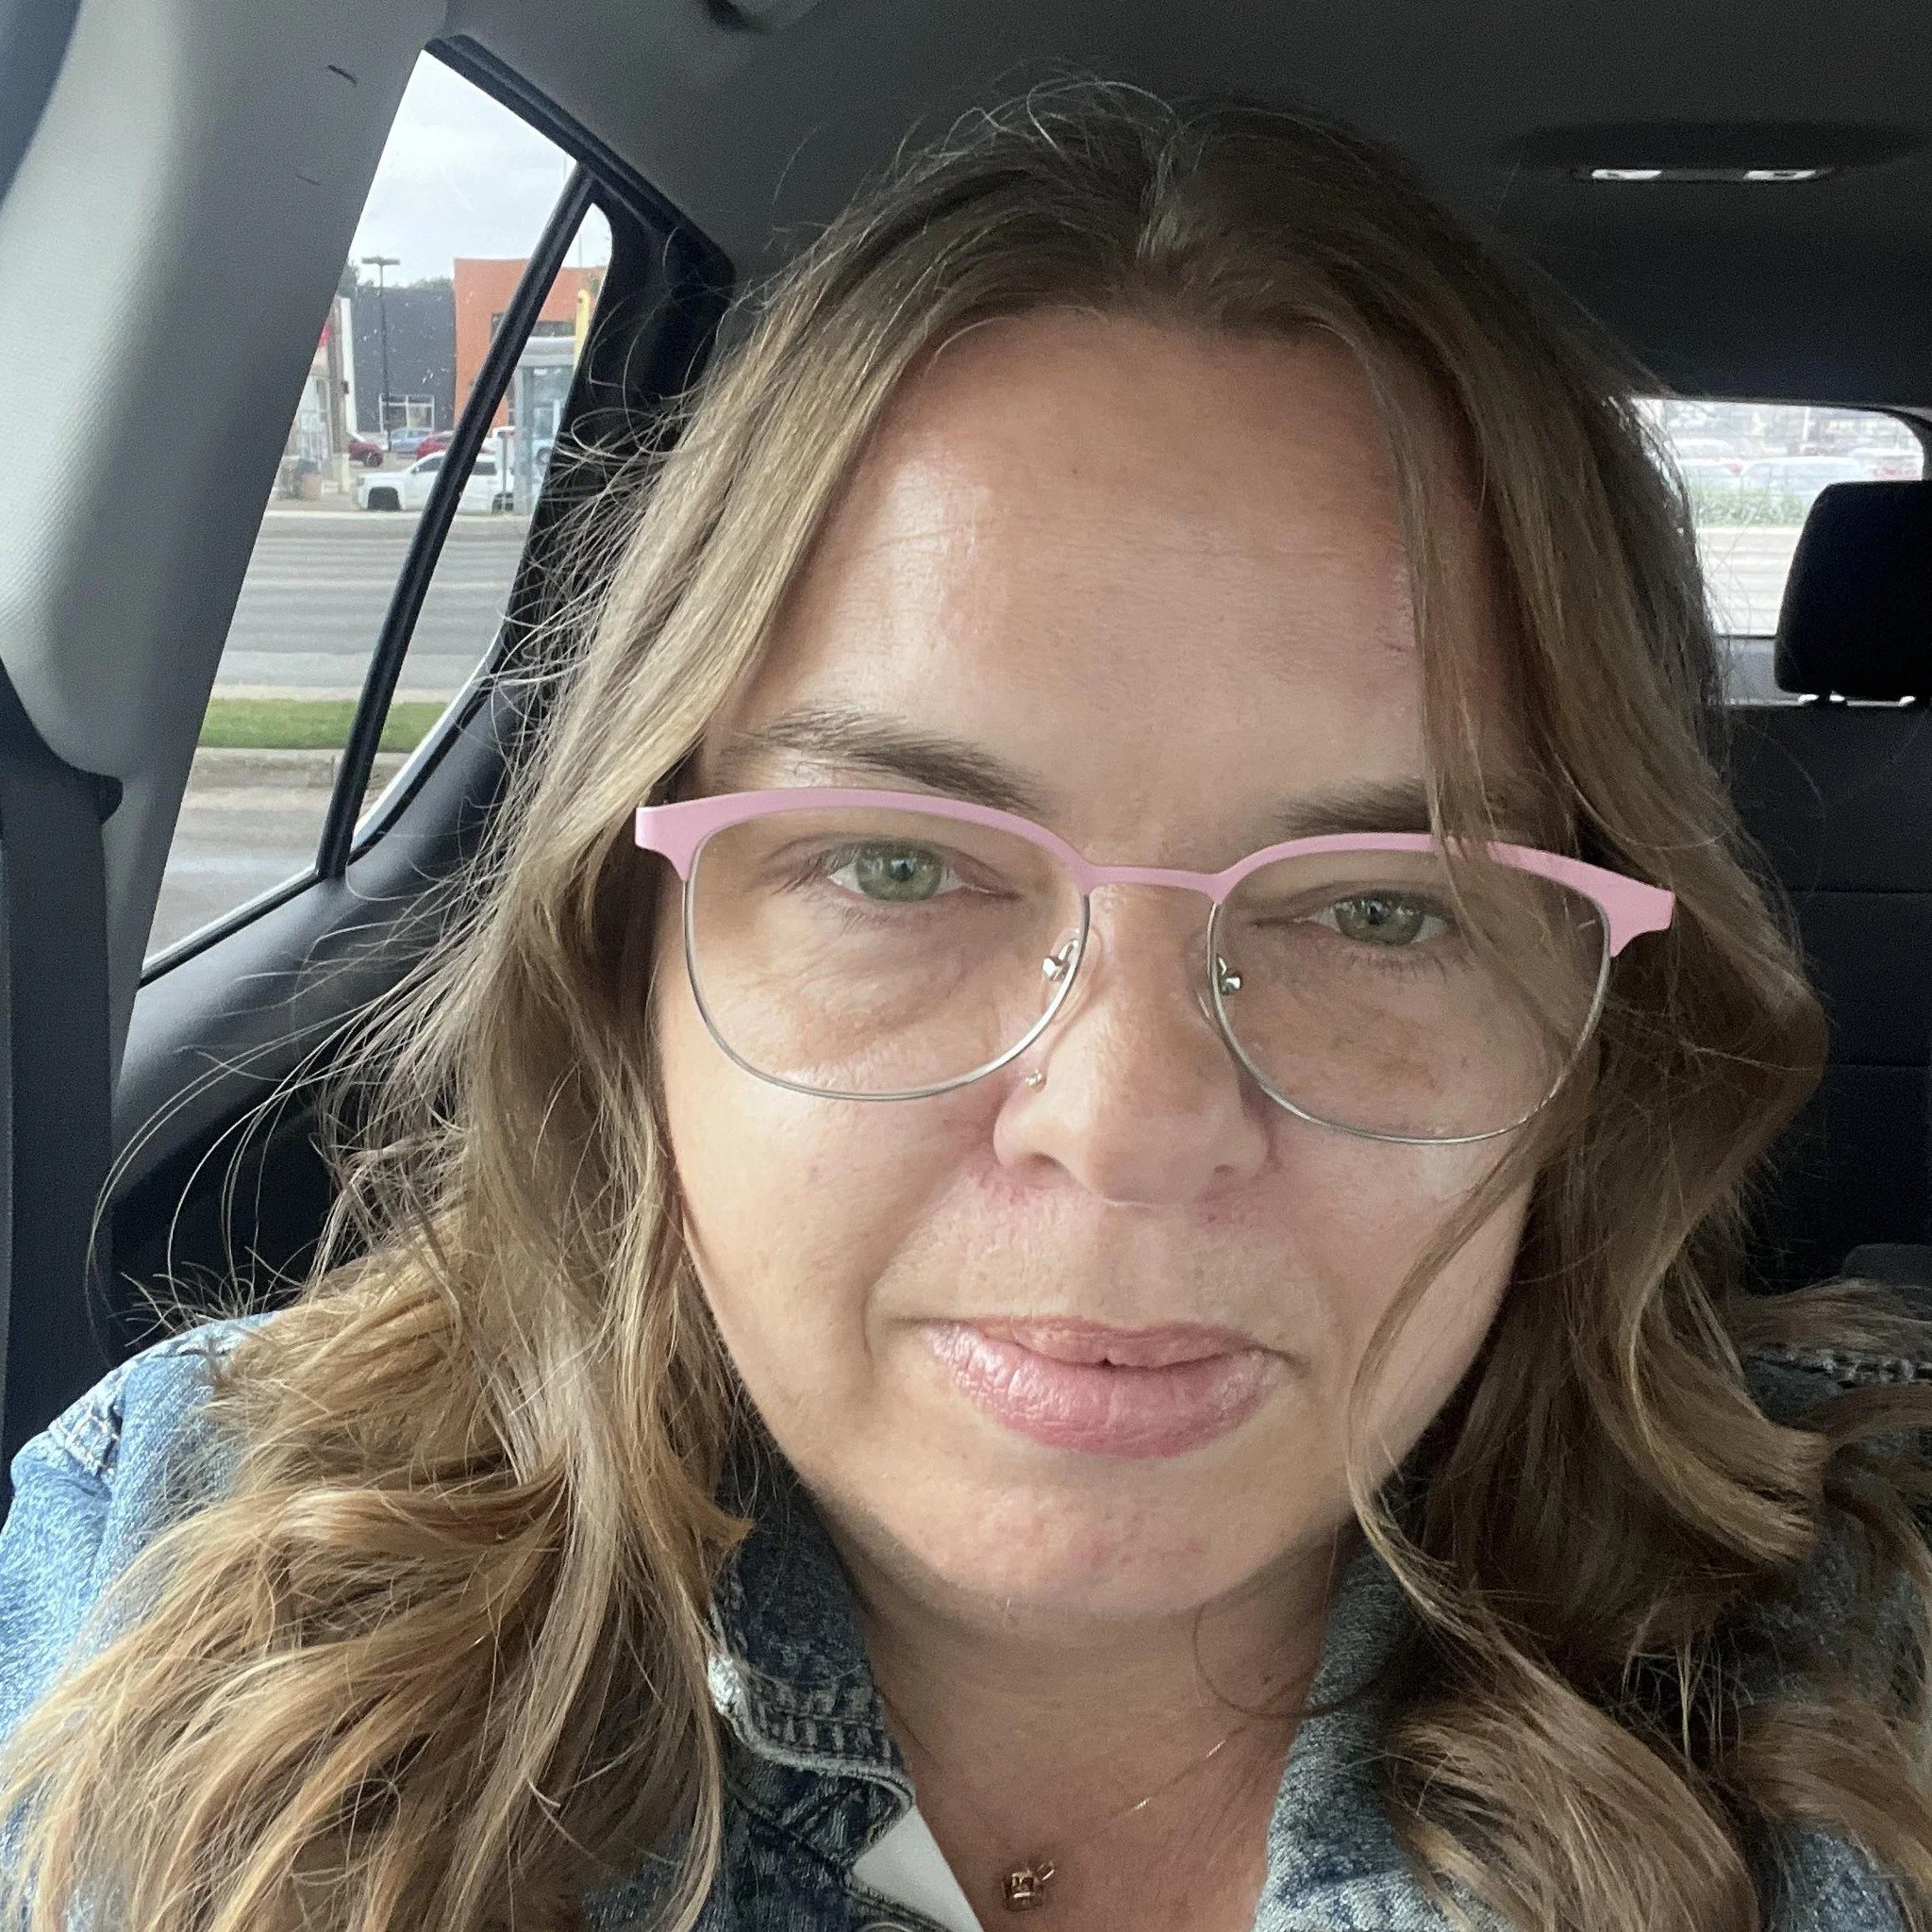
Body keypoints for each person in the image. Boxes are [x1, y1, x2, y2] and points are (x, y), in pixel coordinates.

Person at [2, 83, 1930, 1932]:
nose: (1127, 1120)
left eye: (1380, 906)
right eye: (900, 865)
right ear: (627, 956)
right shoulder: (182, 1568)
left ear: (1587, 1048)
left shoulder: (1863, 1675)